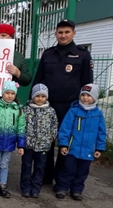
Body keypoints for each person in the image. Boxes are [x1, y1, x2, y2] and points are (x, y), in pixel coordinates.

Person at [33, 19, 94, 187]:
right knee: (45, 141)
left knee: (65, 141)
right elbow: (39, 79)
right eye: (60, 32)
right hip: (47, 105)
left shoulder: (82, 55)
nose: (63, 35)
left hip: (71, 106)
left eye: (67, 32)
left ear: (73, 33)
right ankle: (45, 176)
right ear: (56, 34)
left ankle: (61, 178)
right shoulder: (48, 54)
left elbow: (88, 83)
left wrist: (86, 106)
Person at [0, 23, 32, 182]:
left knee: (3, 135)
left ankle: (1, 171)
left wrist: (18, 72)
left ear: (11, 38)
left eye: (4, 36)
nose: (1, 39)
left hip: (7, 104)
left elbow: (27, 79)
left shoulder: (17, 56)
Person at [55, 84, 106, 200]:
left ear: (95, 97)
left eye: (88, 95)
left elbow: (101, 132)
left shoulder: (98, 114)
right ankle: (62, 188)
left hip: (88, 150)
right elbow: (65, 129)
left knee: (82, 172)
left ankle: (77, 190)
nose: (85, 98)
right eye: (82, 95)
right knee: (67, 170)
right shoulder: (73, 111)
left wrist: (99, 148)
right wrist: (63, 144)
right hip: (73, 149)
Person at [0, 80, 26, 198]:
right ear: (2, 93)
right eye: (7, 93)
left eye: (12, 93)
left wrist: (21, 145)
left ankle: (3, 185)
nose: (9, 96)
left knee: (5, 164)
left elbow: (21, 129)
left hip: (9, 143)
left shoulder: (18, 110)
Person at [20, 84, 58, 198]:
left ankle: (36, 188)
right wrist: (22, 140)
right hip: (28, 144)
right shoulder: (26, 110)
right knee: (26, 166)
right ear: (33, 96)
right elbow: (21, 126)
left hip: (43, 146)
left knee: (40, 167)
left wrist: (50, 139)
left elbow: (54, 126)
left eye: (43, 96)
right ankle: (25, 187)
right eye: (37, 96)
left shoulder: (51, 111)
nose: (40, 99)